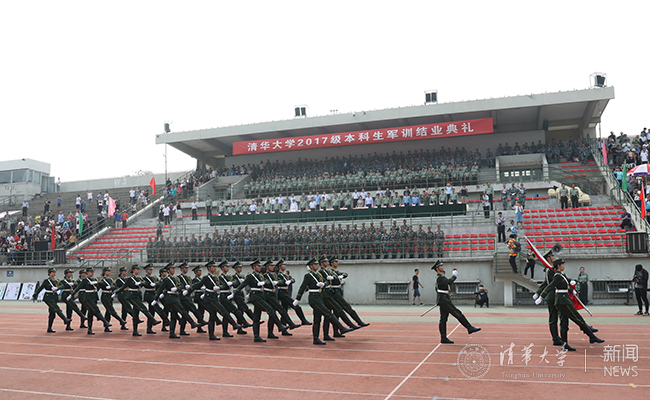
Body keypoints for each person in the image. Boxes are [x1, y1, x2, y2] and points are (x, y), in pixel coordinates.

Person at [536, 258, 604, 350]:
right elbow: (550, 286)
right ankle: (591, 336)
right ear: (558, 266)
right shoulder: (557, 276)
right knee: (577, 318)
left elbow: (567, 282)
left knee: (564, 322)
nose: (564, 266)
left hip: (562, 300)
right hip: (562, 301)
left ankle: (565, 345)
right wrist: (541, 297)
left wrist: (572, 287)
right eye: (562, 264)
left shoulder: (561, 275)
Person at [295, 257, 353, 345]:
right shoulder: (308, 276)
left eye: (317, 264)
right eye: (315, 264)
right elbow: (302, 287)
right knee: (328, 313)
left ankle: (316, 338)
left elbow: (327, 282)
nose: (317, 265)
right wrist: (297, 299)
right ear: (311, 266)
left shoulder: (318, 275)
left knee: (317, 319)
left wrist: (323, 284)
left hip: (320, 297)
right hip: (314, 298)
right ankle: (341, 327)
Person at [431, 260, 481, 344]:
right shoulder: (440, 277)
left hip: (443, 298)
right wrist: (454, 275)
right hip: (444, 300)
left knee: (443, 319)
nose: (443, 267)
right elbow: (449, 282)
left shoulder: (440, 277)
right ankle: (469, 327)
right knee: (457, 312)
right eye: (441, 266)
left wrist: (445, 294)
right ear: (437, 268)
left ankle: (443, 338)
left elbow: (439, 288)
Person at [115, 264, 163, 336]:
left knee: (136, 313)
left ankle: (135, 331)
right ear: (133, 270)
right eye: (137, 269)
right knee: (143, 307)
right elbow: (123, 287)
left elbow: (145, 283)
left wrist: (141, 283)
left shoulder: (139, 278)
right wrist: (116, 293)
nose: (138, 270)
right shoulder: (130, 279)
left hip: (138, 295)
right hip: (131, 296)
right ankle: (152, 319)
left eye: (139, 269)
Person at [69, 267, 112, 335]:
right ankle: (105, 321)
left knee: (90, 313)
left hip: (94, 297)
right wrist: (71, 295)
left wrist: (97, 282)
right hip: (88, 297)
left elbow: (102, 283)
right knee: (95, 309)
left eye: (93, 272)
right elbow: (78, 288)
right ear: (87, 273)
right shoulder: (85, 280)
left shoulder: (94, 279)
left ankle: (89, 329)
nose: (92, 273)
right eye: (90, 272)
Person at [32, 267, 71, 333]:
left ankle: (49, 328)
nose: (54, 273)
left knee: (52, 313)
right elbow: (40, 288)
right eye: (53, 272)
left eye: (55, 272)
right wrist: (34, 295)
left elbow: (62, 286)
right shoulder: (46, 281)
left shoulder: (56, 281)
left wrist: (57, 288)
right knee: (56, 308)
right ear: (49, 273)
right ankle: (64, 319)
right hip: (48, 297)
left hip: (54, 297)